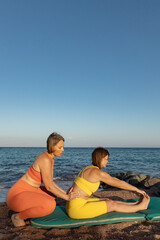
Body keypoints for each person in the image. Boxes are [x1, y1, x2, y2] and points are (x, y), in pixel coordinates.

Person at [6, 132, 79, 227]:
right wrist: (67, 197)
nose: (63, 150)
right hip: (16, 197)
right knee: (50, 205)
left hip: (30, 191)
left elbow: (51, 183)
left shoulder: (50, 159)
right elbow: (49, 186)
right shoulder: (45, 159)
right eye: (60, 147)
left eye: (63, 147)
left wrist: (66, 194)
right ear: (52, 146)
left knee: (53, 194)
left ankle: (29, 211)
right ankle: (18, 217)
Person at [66, 147, 150, 219]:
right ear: (100, 158)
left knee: (106, 200)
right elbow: (119, 183)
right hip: (76, 210)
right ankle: (141, 206)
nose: (107, 161)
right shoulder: (96, 172)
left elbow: (113, 179)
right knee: (111, 204)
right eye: (106, 159)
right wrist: (136, 189)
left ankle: (135, 204)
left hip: (74, 204)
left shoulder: (88, 168)